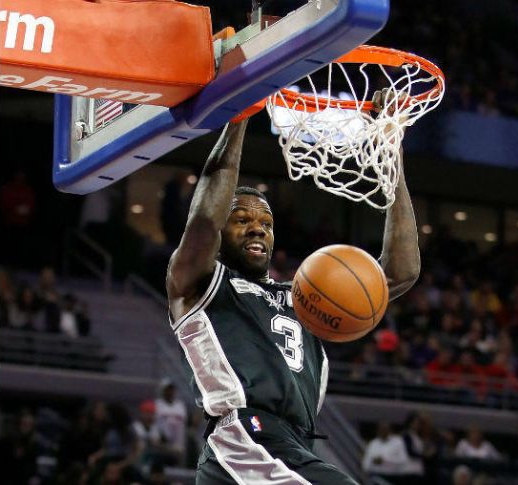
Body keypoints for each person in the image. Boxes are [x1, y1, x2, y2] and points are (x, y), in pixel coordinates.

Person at [165, 97, 421, 484]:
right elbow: (202, 222)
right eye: (241, 219)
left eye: (266, 223)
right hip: (245, 440)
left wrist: (392, 154)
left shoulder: (305, 298)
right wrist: (240, 112)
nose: (257, 228)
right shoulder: (201, 283)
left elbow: (402, 272)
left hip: (291, 446)